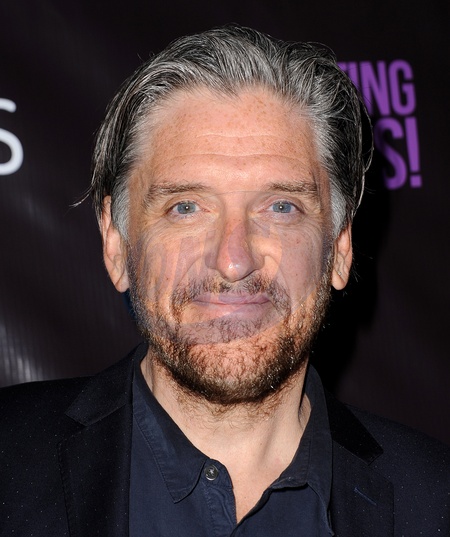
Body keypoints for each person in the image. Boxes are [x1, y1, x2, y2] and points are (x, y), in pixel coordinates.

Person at [1, 25, 449, 537]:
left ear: (340, 248)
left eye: (281, 207)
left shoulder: (435, 504)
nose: (234, 261)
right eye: (186, 207)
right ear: (116, 244)